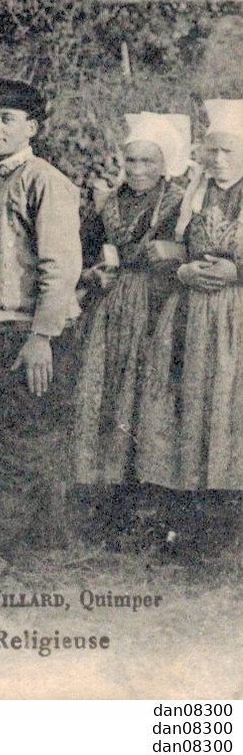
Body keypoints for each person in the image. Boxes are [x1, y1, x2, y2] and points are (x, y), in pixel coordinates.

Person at [0, 78, 83, 560]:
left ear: (31, 126)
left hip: (27, 330)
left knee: (27, 437)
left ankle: (2, 549)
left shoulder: (45, 180)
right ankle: (45, 542)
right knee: (9, 432)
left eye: (7, 118)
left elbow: (61, 265)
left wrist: (42, 337)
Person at [74, 113, 190, 540]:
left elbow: (195, 249)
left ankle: (153, 509)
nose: (138, 171)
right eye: (132, 161)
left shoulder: (180, 202)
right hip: (110, 309)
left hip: (158, 308)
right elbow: (80, 252)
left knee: (148, 402)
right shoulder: (106, 203)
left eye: (147, 162)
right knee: (106, 401)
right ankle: (108, 508)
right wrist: (91, 274)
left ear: (164, 164)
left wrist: (174, 251)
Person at [138, 99, 243, 555]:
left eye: (228, 151)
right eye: (212, 151)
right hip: (189, 319)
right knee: (188, 411)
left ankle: (229, 528)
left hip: (237, 318)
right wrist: (180, 272)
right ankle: (191, 526)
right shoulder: (192, 196)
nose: (218, 160)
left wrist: (237, 273)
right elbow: (165, 251)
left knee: (230, 413)